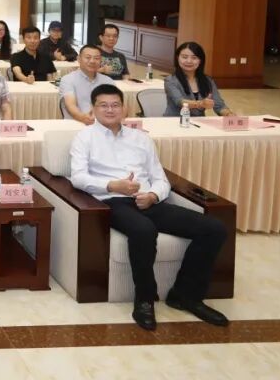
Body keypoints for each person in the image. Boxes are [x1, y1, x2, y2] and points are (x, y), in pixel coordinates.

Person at [70, 84, 229, 331]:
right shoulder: (84, 138)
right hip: (111, 201)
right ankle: (145, 298)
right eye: (103, 105)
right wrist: (113, 185)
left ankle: (185, 295)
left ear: (124, 108)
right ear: (93, 109)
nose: (110, 110)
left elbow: (160, 179)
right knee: (143, 230)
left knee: (214, 228)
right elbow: (78, 178)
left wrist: (154, 195)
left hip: (148, 201)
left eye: (115, 105)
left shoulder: (141, 138)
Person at [163, 42, 234, 117]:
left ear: (200, 60)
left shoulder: (208, 80)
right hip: (174, 121)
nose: (189, 61)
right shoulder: (170, 80)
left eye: (194, 58)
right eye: (184, 57)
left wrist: (229, 114)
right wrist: (200, 103)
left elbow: (219, 106)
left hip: (198, 122)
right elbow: (180, 102)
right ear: (177, 58)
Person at [59, 45, 114, 124]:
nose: (92, 61)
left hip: (103, 124)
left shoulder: (108, 81)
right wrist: (84, 117)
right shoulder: (68, 79)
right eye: (88, 57)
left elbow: (120, 106)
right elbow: (71, 105)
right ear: (79, 59)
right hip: (76, 124)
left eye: (96, 58)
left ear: (101, 60)